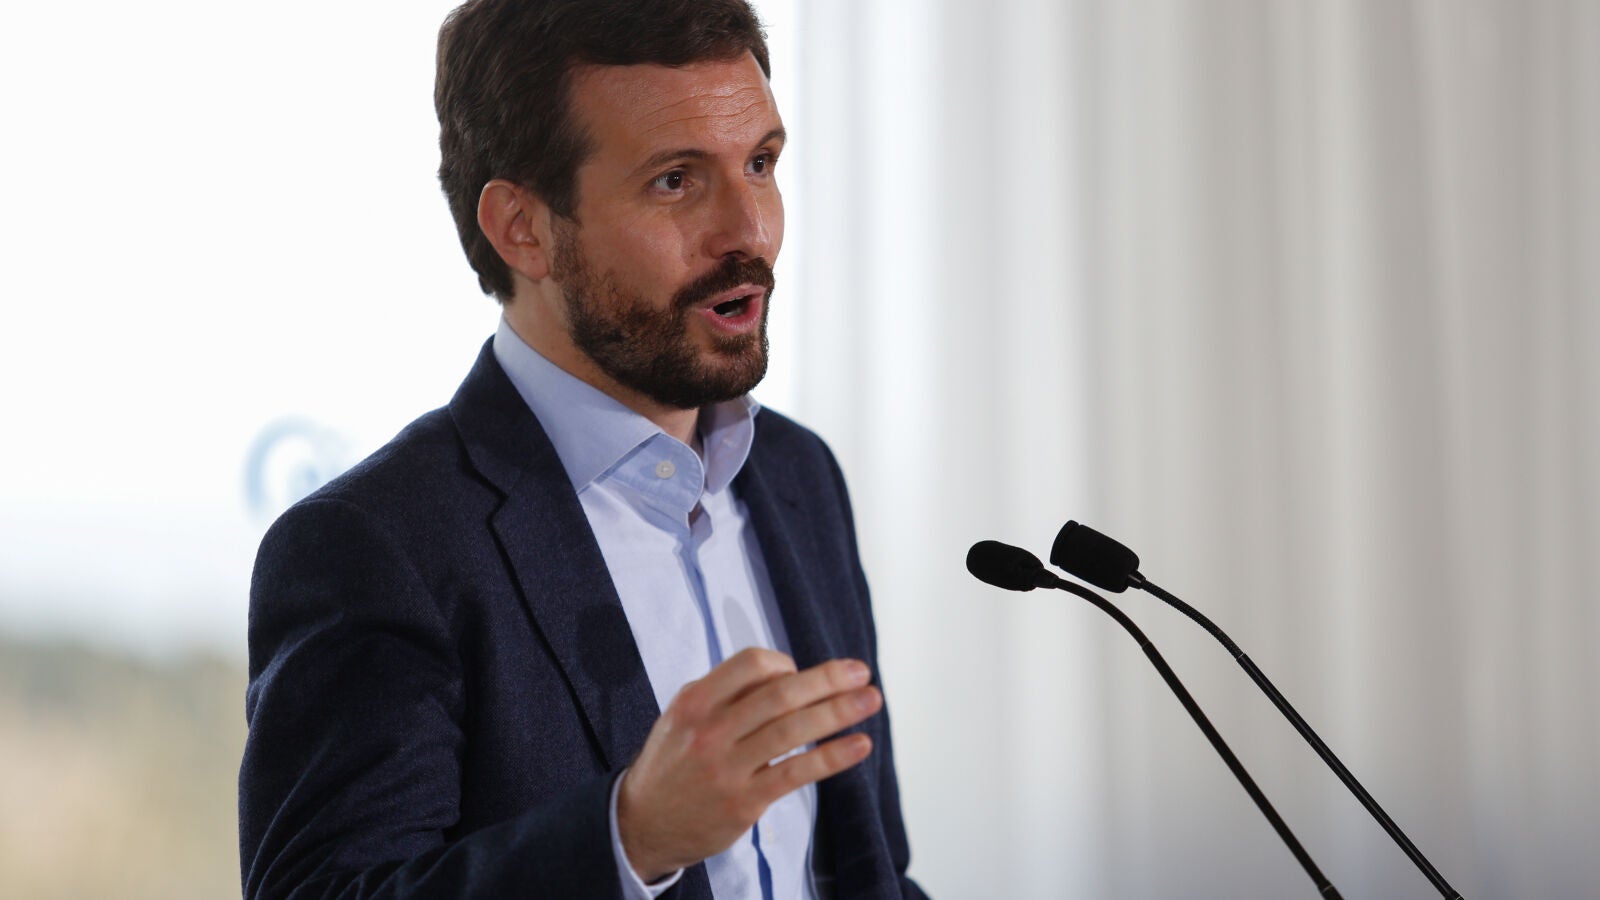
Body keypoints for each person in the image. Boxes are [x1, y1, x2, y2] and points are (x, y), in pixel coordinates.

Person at [237, 1, 926, 897]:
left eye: (759, 164)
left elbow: (871, 872)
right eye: (675, 181)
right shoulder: (374, 545)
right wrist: (628, 837)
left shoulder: (798, 477)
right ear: (522, 227)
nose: (750, 233)